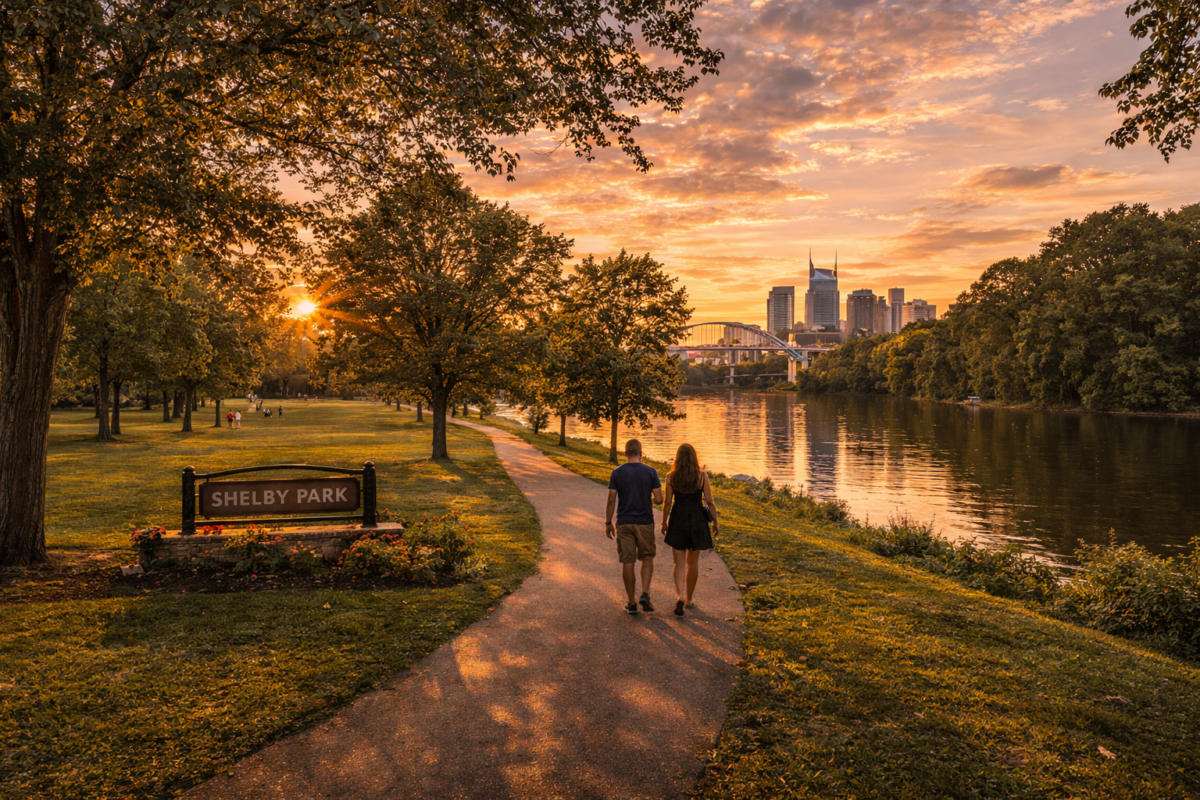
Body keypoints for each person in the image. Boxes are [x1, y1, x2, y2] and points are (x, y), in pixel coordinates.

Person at [660, 443, 719, 617]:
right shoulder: (702, 476)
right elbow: (709, 501)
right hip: (697, 520)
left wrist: (664, 522)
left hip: (678, 518)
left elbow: (668, 502)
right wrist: (715, 522)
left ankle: (679, 595)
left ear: (677, 458)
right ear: (694, 458)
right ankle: (689, 599)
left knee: (678, 562)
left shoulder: (671, 477)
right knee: (692, 562)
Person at [605, 439, 663, 615]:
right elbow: (659, 499)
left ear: (625, 453)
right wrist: (648, 499)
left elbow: (611, 499)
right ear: (641, 453)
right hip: (645, 522)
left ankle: (631, 603)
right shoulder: (651, 472)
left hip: (624, 523)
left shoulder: (617, 473)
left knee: (628, 562)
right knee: (647, 557)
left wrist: (608, 522)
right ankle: (645, 593)